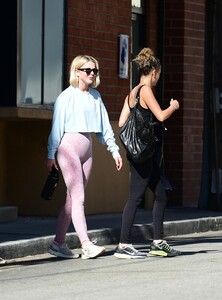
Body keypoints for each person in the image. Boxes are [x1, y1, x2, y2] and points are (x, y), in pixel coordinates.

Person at [46, 55, 123, 259]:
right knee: (79, 197)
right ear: (77, 72)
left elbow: (106, 127)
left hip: (87, 151)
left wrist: (114, 151)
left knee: (72, 200)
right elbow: (56, 128)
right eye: (87, 70)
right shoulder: (66, 97)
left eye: (94, 71)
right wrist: (50, 154)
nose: (91, 74)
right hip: (68, 148)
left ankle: (58, 243)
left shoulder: (96, 97)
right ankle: (86, 244)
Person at [114, 47, 180, 259]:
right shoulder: (145, 90)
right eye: (158, 75)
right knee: (134, 198)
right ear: (154, 72)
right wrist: (173, 107)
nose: (158, 79)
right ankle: (123, 245)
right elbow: (160, 116)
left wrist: (133, 143)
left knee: (160, 193)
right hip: (143, 154)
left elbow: (122, 122)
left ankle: (158, 242)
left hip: (139, 154)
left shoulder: (132, 92)